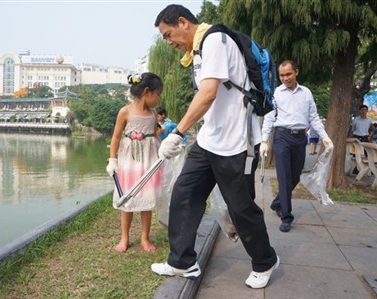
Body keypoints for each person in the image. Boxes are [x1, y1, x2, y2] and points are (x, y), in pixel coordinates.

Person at [151, 4, 279, 289]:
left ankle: (265, 261)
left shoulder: (215, 40)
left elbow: (208, 93)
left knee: (241, 208)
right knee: (185, 192)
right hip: (209, 139)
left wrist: (178, 133)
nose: (169, 42)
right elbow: (208, 97)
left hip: (236, 142)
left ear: (183, 22)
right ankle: (182, 262)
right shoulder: (197, 51)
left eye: (168, 34)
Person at [260, 59, 334, 233]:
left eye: (288, 74)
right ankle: (286, 216)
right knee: (284, 177)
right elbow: (269, 117)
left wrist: (325, 137)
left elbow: (314, 117)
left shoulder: (306, 93)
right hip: (282, 137)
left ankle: (278, 202)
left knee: (295, 176)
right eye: (281, 75)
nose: (285, 78)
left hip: (300, 139)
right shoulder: (276, 93)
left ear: (296, 72)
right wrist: (264, 140)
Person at [106, 72, 163, 253]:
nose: (159, 98)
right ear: (147, 92)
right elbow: (116, 137)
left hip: (148, 161)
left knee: (147, 200)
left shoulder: (154, 114)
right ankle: (125, 237)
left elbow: (154, 135)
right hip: (129, 162)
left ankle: (145, 238)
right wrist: (112, 159)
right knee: (128, 200)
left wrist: (166, 147)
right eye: (158, 94)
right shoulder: (125, 111)